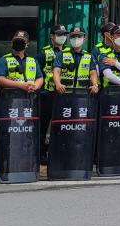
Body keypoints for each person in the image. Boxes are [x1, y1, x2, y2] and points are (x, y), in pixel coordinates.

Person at [38, 25, 70, 161]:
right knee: (43, 125)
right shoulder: (43, 53)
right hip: (47, 93)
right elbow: (37, 72)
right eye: (59, 34)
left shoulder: (70, 52)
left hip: (65, 94)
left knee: (63, 124)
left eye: (64, 34)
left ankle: (59, 150)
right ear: (52, 36)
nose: (62, 37)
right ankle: (41, 153)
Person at [52, 29, 100, 94]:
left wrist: (95, 85)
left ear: (84, 39)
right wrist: (58, 84)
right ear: (69, 39)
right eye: (73, 37)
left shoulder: (89, 56)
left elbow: (93, 73)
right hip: (64, 91)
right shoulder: (62, 54)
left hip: (83, 93)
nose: (76, 39)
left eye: (79, 36)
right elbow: (56, 70)